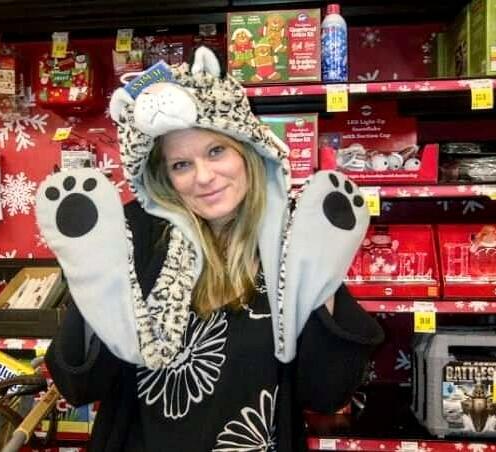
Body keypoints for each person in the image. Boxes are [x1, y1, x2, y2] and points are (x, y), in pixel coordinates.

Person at [35, 46, 384, 451]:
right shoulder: (135, 235)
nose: (203, 177)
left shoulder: (295, 239)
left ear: (248, 150)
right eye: (181, 164)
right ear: (164, 177)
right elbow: (78, 386)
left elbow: (326, 392)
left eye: (216, 151)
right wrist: (93, 281)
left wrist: (322, 277)